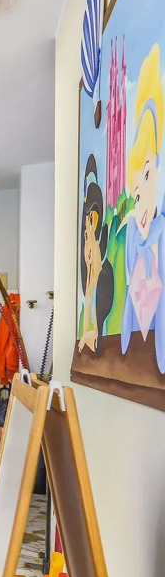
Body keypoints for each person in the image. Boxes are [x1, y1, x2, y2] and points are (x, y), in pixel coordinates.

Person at [121, 44, 165, 373]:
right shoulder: (135, 240)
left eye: (147, 177)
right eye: (135, 196)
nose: (141, 205)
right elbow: (129, 296)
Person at [77, 155, 115, 353]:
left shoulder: (105, 275)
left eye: (92, 227)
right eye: (85, 235)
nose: (88, 247)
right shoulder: (89, 280)